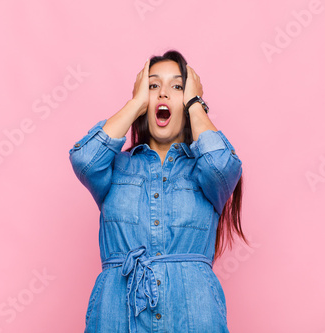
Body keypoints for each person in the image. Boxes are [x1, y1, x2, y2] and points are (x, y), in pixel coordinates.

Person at [69, 50, 249, 333]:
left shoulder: (205, 172)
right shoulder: (116, 168)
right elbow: (84, 159)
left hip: (194, 319)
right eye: (153, 86)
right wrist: (136, 103)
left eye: (177, 86)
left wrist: (195, 104)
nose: (163, 94)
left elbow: (222, 166)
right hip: (117, 319)